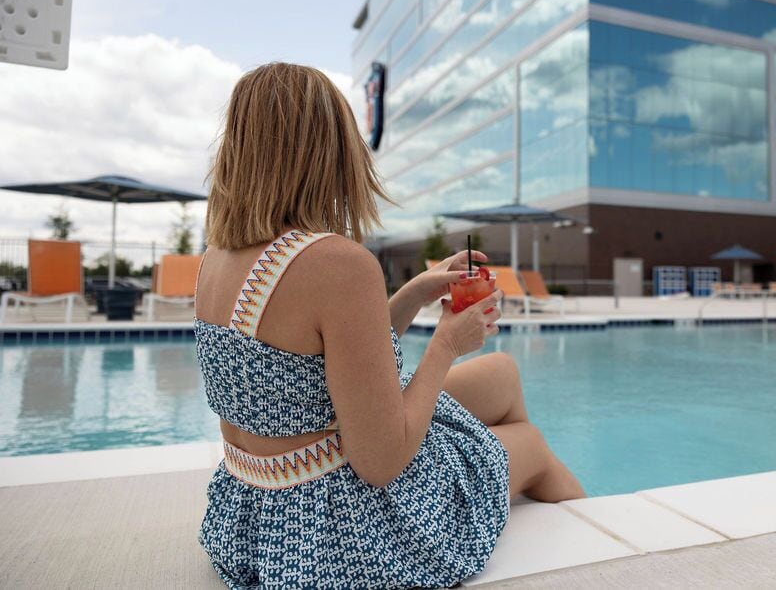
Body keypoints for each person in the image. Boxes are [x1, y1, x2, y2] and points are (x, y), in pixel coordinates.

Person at [194, 63, 584, 588]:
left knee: (503, 375)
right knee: (530, 443)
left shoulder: (216, 260)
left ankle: (488, 485)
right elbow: (381, 461)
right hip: (336, 530)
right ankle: (610, 558)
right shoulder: (336, 262)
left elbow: (314, 361)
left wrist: (417, 292)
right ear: (329, 151)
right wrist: (447, 343)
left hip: (256, 512)